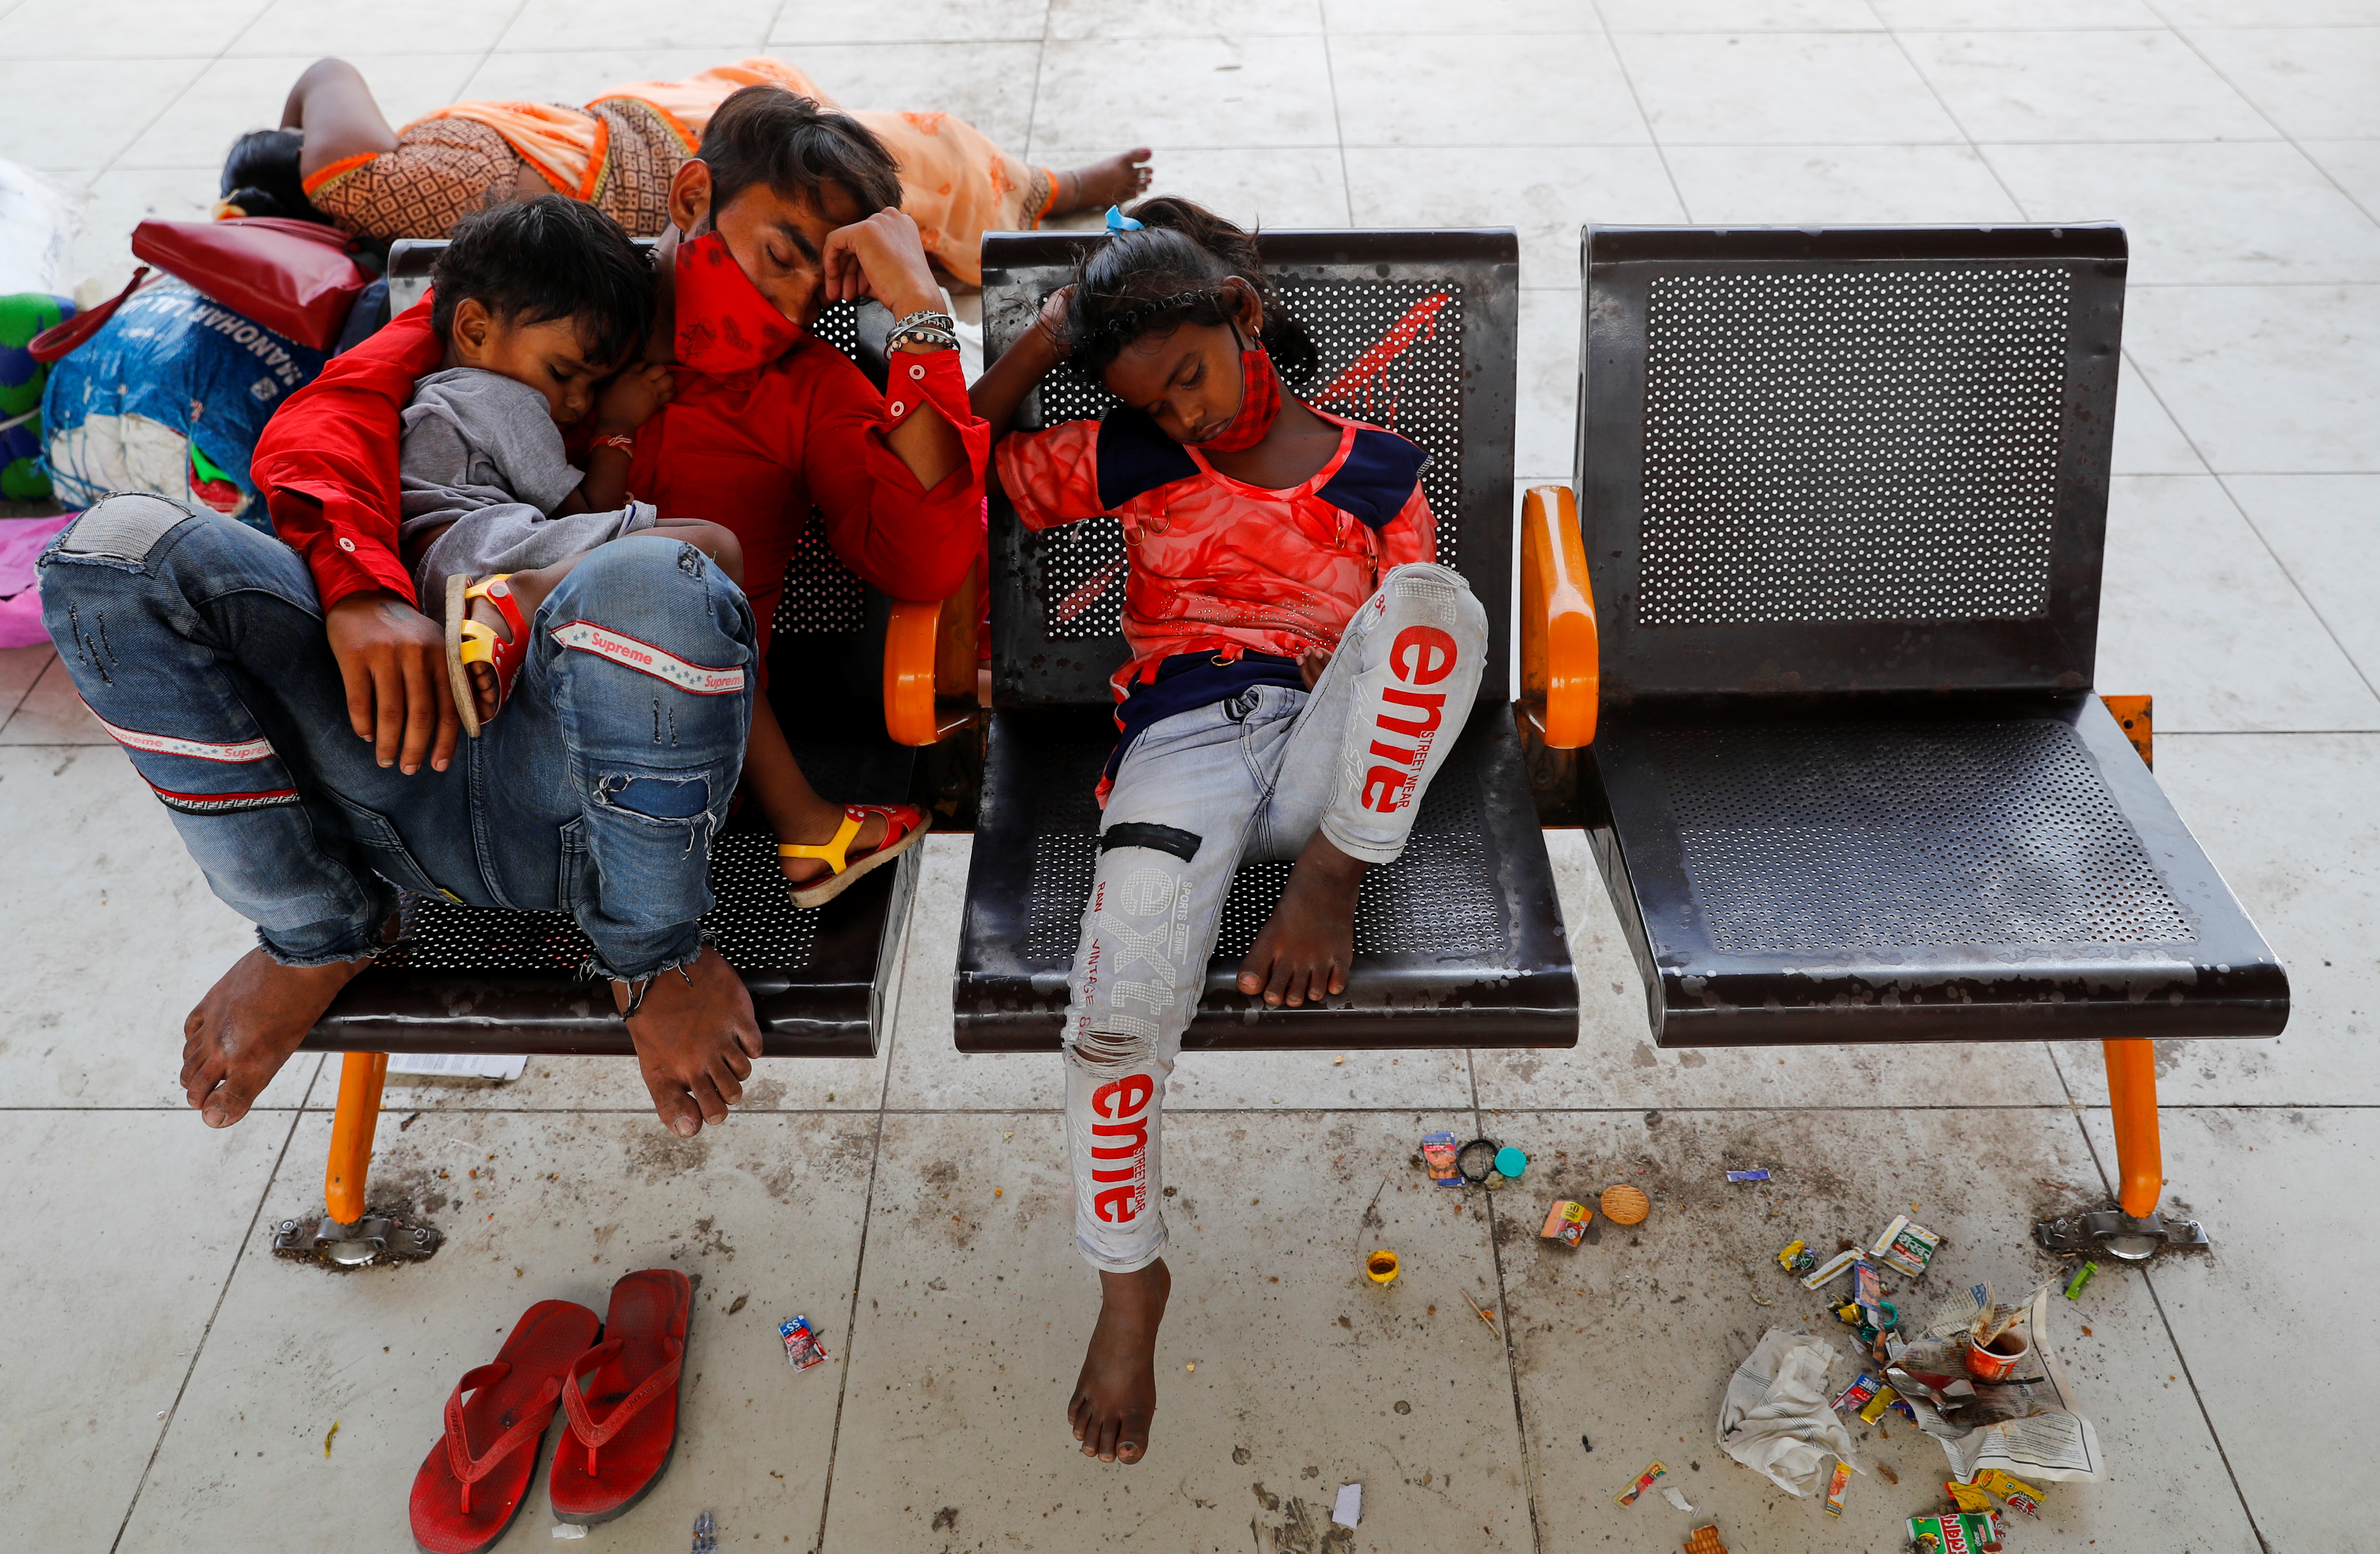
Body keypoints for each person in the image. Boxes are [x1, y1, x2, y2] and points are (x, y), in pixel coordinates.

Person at [40, 84, 984, 1143]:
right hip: (395, 751)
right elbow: (333, 421)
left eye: (830, 274)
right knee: (112, 553)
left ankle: (655, 954)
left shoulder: (805, 387)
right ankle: (316, 930)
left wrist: (916, 316)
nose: (800, 298)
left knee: (659, 568)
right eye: (781, 252)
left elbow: (928, 549)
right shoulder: (554, 297)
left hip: (603, 811)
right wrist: (358, 596)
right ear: (689, 197)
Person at [969, 198, 1491, 1466]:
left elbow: (1411, 666)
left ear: (1242, 315)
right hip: (1184, 746)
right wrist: (1050, 335)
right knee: (1111, 1004)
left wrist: (1328, 861)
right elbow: (964, 455)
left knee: (1429, 601)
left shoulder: (1378, 471)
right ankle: (1125, 1277)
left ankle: (1325, 888)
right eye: (1158, 402)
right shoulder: (1134, 458)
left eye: (1193, 377)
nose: (1188, 416)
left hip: (1332, 764)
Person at [221, 55, 1152, 285]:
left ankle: (1057, 188)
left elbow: (327, 71)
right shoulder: (409, 227)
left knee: (919, 163)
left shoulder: (389, 190)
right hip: (652, 156)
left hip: (669, 144)